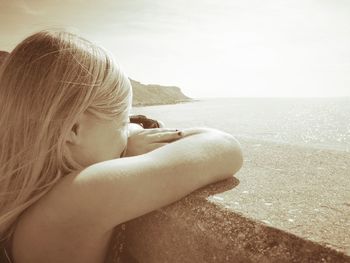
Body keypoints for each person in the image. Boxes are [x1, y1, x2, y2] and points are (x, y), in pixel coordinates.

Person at [0, 29, 243, 263]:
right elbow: (225, 147)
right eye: (123, 123)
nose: (128, 133)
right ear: (73, 129)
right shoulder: (78, 197)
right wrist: (127, 145)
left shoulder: (27, 203)